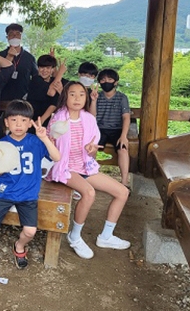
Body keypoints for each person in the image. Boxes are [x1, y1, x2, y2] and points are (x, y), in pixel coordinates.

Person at [0, 100, 60, 277]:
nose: (19, 125)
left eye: (23, 120)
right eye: (14, 120)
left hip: (28, 194)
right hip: (3, 192)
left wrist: (44, 137)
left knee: (30, 231)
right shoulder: (2, 144)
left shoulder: (36, 142)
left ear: (30, 123)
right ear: (6, 122)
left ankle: (19, 246)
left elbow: (56, 157)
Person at [47, 81, 131, 260]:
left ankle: (106, 236)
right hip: (66, 168)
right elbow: (50, 147)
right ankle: (75, 236)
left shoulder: (89, 119)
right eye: (72, 94)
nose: (77, 98)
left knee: (122, 192)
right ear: (65, 97)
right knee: (89, 193)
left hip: (85, 166)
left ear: (86, 98)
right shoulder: (58, 119)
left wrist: (92, 150)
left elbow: (92, 149)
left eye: (81, 94)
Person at [91, 69, 131, 188]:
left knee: (123, 149)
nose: (106, 82)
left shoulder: (122, 98)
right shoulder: (97, 96)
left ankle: (124, 182)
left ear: (115, 82)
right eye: (103, 80)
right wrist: (93, 101)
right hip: (99, 129)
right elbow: (92, 116)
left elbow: (126, 118)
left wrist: (123, 136)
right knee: (91, 148)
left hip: (117, 130)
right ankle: (90, 176)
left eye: (109, 79)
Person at [0, 23, 38, 103]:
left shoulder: (29, 57)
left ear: (21, 37)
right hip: (3, 97)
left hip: (23, 99)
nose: (14, 36)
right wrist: (9, 57)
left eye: (17, 34)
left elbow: (35, 77)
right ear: (7, 37)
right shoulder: (0, 55)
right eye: (11, 34)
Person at [26, 54, 68, 127]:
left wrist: (61, 91)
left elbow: (56, 101)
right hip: (32, 118)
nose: (44, 70)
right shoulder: (36, 80)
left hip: (48, 121)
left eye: (48, 68)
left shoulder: (54, 81)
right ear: (38, 68)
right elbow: (51, 92)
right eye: (42, 67)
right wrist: (61, 72)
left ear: (52, 69)